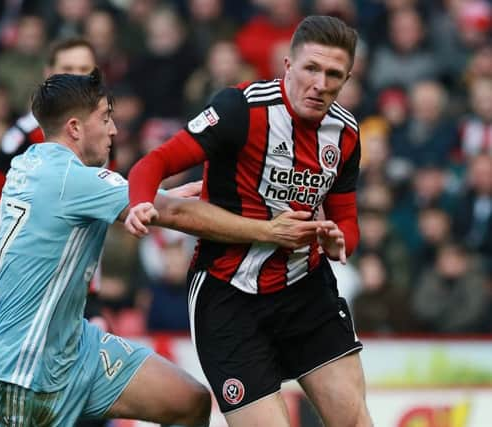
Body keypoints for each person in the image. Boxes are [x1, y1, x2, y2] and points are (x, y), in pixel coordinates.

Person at [0, 70, 337, 427]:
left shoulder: (30, 163)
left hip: (75, 349)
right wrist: (269, 231)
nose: (114, 130)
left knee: (188, 402)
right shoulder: (73, 180)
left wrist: (158, 199)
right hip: (23, 372)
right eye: (105, 118)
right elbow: (172, 213)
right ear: (74, 128)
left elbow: (108, 203)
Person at [126, 15, 371, 427]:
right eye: (312, 68)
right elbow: (155, 163)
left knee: (354, 421)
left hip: (304, 289)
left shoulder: (345, 133)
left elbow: (346, 217)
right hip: (228, 295)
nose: (321, 83)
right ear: (289, 66)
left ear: (346, 80)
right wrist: (138, 204)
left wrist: (340, 241)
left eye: (334, 75)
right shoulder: (241, 109)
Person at [0, 37, 99, 220]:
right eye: (67, 69)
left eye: (84, 70)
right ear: (48, 73)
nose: (76, 77)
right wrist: (31, 223)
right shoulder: (25, 134)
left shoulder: (106, 129)